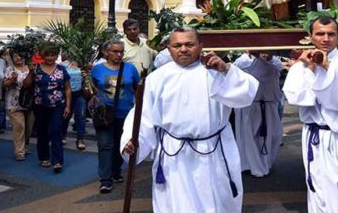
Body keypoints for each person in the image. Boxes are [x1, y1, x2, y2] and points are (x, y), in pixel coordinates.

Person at [120, 26, 258, 211]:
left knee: (215, 203)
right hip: (174, 155)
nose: (183, 49)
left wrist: (226, 70)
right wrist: (132, 139)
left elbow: (245, 94)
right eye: (177, 45)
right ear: (168, 48)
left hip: (213, 152)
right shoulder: (157, 78)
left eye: (189, 44)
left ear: (200, 45)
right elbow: (142, 115)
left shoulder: (215, 70)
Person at [283, 17, 338, 212]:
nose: (326, 39)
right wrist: (309, 69)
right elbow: (295, 97)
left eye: (331, 34)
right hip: (316, 135)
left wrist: (327, 69)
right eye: (320, 33)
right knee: (321, 190)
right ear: (310, 36)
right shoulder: (301, 63)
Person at [90, 40, 139, 193]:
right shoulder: (97, 70)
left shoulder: (130, 69)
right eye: (115, 51)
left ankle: (116, 171)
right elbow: (91, 92)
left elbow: (137, 89)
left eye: (121, 52)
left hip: (125, 114)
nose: (119, 55)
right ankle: (105, 180)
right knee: (105, 145)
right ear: (106, 53)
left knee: (121, 145)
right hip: (104, 115)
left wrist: (139, 110)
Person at [234, 51, 284, 178]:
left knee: (273, 135)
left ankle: (266, 162)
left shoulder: (275, 61)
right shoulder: (242, 62)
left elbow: (277, 69)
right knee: (251, 137)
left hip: (269, 105)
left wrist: (269, 58)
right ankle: (253, 165)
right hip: (250, 106)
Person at [23, 44, 71, 173]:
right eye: (47, 55)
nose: (50, 58)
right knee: (43, 132)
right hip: (40, 105)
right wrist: (31, 72)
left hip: (57, 105)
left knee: (56, 131)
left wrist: (68, 105)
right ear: (42, 56)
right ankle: (44, 156)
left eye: (53, 55)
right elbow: (26, 84)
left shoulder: (61, 69)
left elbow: (67, 88)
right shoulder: (36, 68)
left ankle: (57, 161)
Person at [2, 50, 33, 160]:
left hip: (29, 102)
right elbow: (4, 85)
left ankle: (25, 146)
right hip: (13, 103)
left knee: (29, 128)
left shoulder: (31, 68)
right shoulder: (9, 69)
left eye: (20, 55)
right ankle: (19, 152)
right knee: (19, 126)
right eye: (15, 56)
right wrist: (12, 80)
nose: (18, 58)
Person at [60, 53, 87, 151]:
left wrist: (86, 75)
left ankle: (80, 139)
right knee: (65, 116)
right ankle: (63, 135)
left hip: (79, 94)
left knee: (81, 116)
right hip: (66, 94)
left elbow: (88, 78)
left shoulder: (82, 64)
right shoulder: (63, 65)